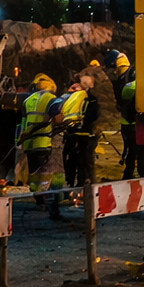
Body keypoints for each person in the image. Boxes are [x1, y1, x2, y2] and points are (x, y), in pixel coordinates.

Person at [16, 74, 62, 219]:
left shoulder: (28, 100)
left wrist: (20, 139)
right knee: (45, 175)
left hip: (29, 144)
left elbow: (23, 122)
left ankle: (39, 202)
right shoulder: (51, 99)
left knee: (34, 174)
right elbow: (57, 119)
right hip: (43, 142)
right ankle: (50, 205)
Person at [59, 76, 102, 204]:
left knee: (70, 164)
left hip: (71, 134)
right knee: (86, 165)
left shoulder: (70, 97)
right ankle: (88, 193)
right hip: (85, 135)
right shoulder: (91, 99)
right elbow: (94, 116)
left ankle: (70, 191)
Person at [107, 50, 144, 179]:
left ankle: (129, 176)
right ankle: (141, 175)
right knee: (140, 151)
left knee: (133, 151)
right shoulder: (132, 74)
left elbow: (120, 100)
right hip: (140, 120)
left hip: (130, 121)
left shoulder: (119, 80)